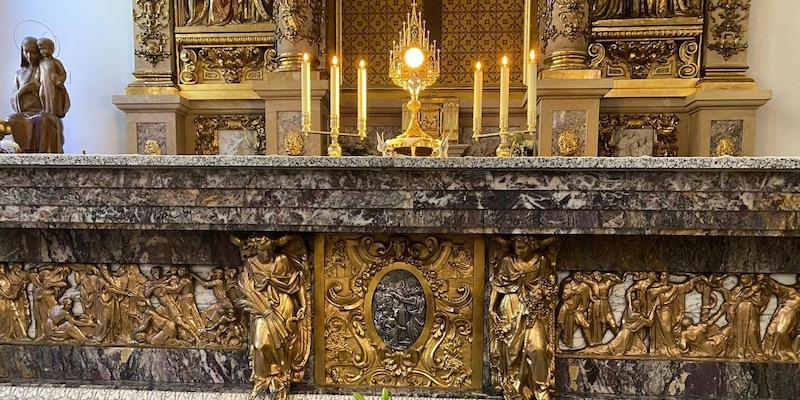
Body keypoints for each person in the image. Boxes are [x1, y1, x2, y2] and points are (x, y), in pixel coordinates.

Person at [36, 38, 70, 119]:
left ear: (51, 49)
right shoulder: (40, 62)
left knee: (52, 99)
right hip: (43, 85)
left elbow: (63, 73)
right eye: (41, 49)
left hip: (52, 85)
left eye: (45, 49)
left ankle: (53, 113)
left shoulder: (55, 62)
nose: (43, 51)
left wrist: (60, 80)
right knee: (42, 95)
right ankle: (46, 111)